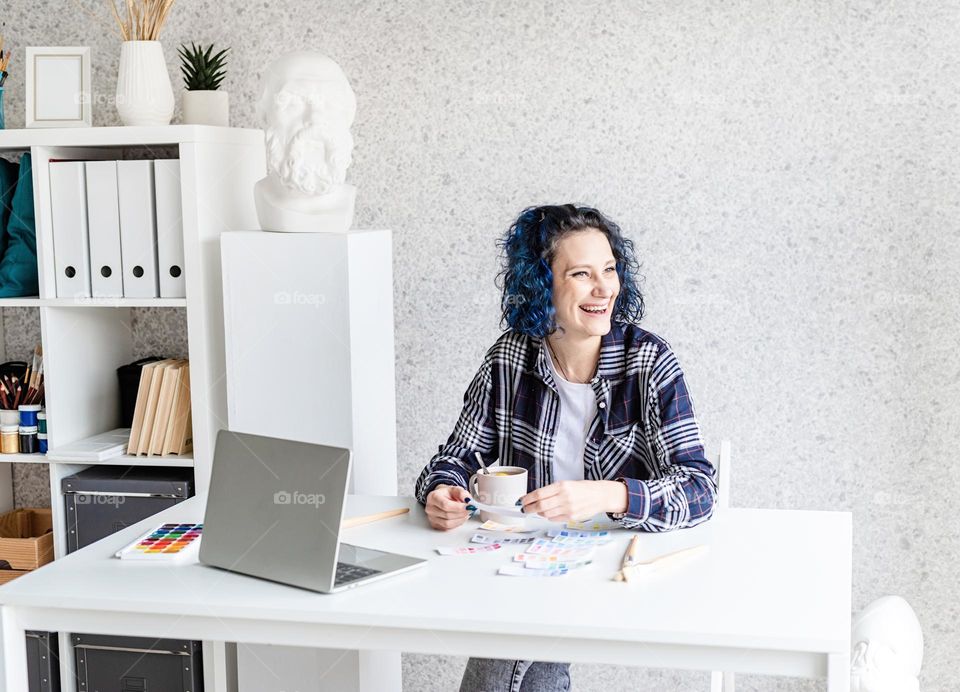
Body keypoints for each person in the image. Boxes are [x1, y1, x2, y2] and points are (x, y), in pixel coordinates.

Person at [414, 204, 717, 692]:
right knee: (529, 646)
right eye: (581, 274)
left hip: (620, 566)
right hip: (532, 562)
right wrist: (442, 491)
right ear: (542, 285)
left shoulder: (649, 361)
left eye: (610, 269)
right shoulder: (510, 358)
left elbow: (699, 489)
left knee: (512, 646)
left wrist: (606, 495)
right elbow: (456, 456)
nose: (604, 289)